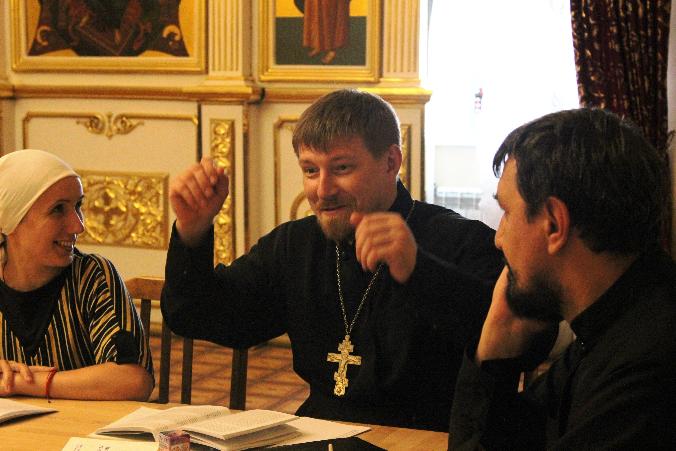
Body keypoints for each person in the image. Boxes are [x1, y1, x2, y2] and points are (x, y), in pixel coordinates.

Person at [162, 88, 503, 431]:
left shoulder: (461, 240)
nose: (323, 190)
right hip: (317, 434)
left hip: (424, 438)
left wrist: (418, 270)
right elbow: (198, 316)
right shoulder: (294, 244)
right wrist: (192, 233)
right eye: (311, 170)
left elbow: (506, 338)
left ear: (391, 162)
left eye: (341, 168)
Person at [449, 108, 676, 449]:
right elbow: (519, 440)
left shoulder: (648, 367)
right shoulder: (610, 322)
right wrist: (495, 350)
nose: (498, 238)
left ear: (555, 224)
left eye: (507, 213)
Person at [0, 149, 153, 401]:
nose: (78, 225)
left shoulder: (92, 276)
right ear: (11, 221)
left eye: (78, 206)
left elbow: (133, 380)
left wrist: (22, 382)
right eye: (58, 209)